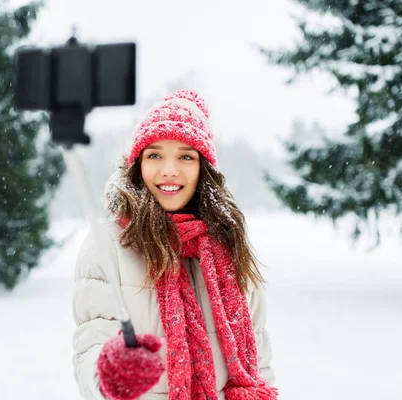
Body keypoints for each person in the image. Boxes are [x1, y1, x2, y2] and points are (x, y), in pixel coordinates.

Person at [72, 89, 278, 400]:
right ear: (137, 164)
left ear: (203, 169)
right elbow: (90, 347)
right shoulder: (109, 244)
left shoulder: (229, 241)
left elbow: (258, 358)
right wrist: (108, 372)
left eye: (185, 156)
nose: (169, 169)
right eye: (154, 154)